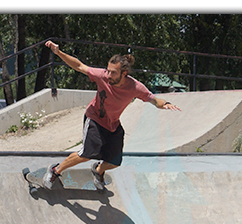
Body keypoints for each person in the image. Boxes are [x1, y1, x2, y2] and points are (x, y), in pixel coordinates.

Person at [43, 40, 181, 189]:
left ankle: (98, 171)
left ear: (124, 74)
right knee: (86, 154)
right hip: (94, 118)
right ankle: (55, 171)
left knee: (115, 162)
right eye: (108, 70)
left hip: (113, 124)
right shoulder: (102, 76)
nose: (108, 75)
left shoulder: (135, 87)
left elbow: (154, 100)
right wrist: (58, 52)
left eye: (113, 73)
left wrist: (165, 104)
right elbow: (79, 66)